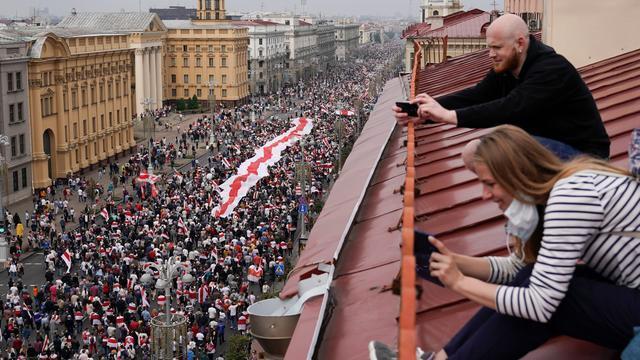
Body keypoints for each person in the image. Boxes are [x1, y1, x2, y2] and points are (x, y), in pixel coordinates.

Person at [424, 125, 640, 359]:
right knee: (531, 275)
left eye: (490, 183)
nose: (484, 195)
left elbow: (540, 304)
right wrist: (454, 262)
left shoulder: (572, 195)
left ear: (517, 175)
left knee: (556, 303)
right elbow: (518, 269)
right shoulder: (560, 189)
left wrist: (459, 282)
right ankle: (442, 357)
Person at [393, 14, 610, 160]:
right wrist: (425, 111)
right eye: (489, 47)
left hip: (585, 158)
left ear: (520, 43)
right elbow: (478, 95)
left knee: (505, 150)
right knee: (475, 152)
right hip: (546, 147)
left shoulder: (551, 68)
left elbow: (512, 107)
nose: (491, 54)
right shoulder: (509, 65)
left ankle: (529, 224)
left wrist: (449, 116)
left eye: (497, 47)